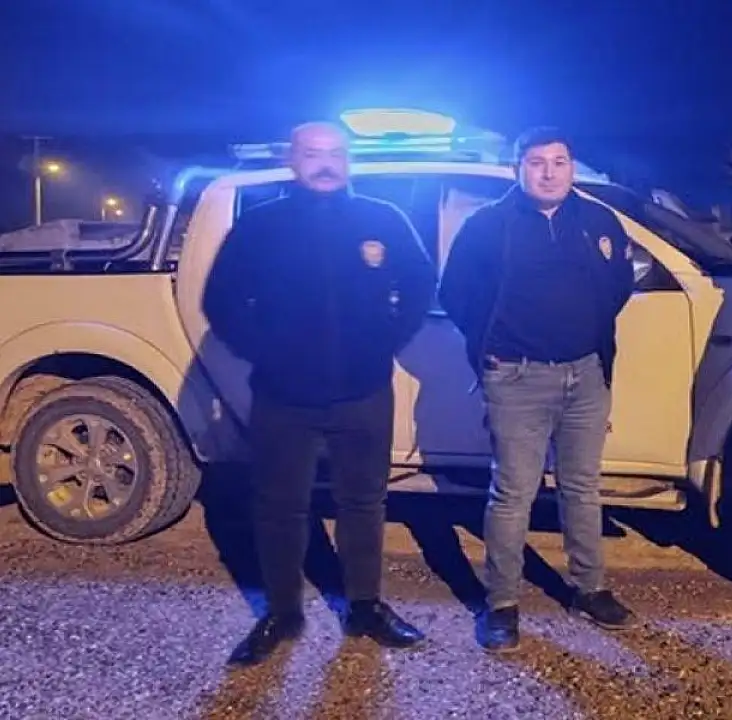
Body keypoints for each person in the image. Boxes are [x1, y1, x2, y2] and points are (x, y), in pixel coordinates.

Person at [203, 121, 436, 667]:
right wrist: (266, 352)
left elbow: (421, 282)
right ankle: (282, 613)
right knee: (280, 506)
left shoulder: (382, 218)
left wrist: (386, 339)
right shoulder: (261, 226)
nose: (325, 163)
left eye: (334, 153)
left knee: (364, 503)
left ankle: (365, 607)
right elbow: (221, 300)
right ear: (293, 160)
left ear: (348, 160)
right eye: (312, 153)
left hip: (363, 390)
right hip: (283, 394)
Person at [438, 126, 639, 653]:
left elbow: (618, 285)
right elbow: (455, 294)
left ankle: (589, 589)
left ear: (572, 167)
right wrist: (493, 348)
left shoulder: (598, 221)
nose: (549, 173)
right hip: (516, 377)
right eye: (537, 162)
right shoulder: (487, 225)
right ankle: (502, 603)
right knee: (513, 494)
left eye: (559, 161)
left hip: (586, 374)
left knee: (582, 488)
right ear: (517, 169)